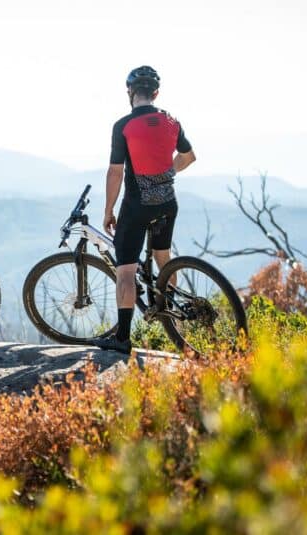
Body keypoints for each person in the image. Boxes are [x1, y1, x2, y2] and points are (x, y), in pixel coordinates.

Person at [95, 66, 197, 354]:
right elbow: (189, 157)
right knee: (164, 257)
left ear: (130, 93)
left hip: (137, 207)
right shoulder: (171, 121)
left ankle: (122, 339)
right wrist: (167, 173)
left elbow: (115, 172)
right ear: (156, 93)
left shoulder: (123, 126)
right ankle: (169, 314)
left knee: (125, 269)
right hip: (167, 203)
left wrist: (108, 210)